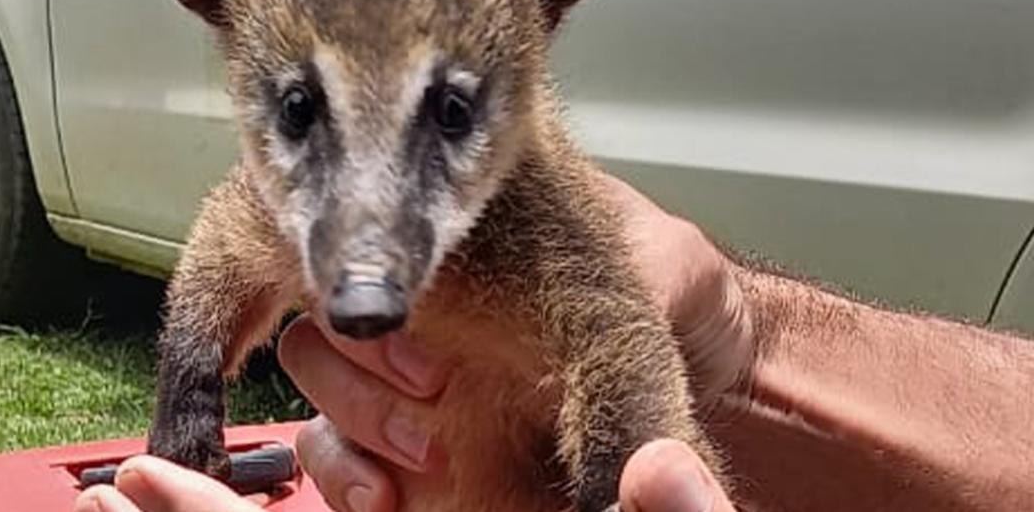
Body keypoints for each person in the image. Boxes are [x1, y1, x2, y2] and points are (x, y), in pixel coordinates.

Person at [74, 174, 1034, 512]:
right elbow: (227, 248)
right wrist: (189, 406)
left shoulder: (532, 215)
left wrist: (615, 478)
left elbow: (619, 341)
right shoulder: (275, 194)